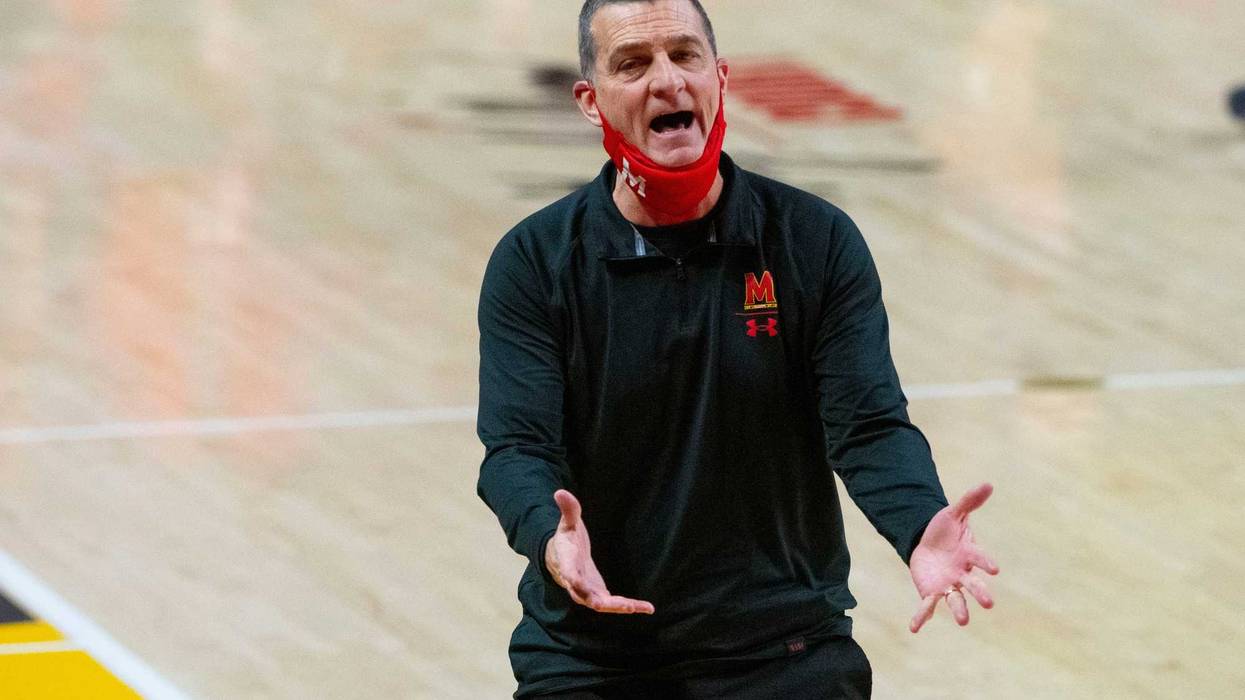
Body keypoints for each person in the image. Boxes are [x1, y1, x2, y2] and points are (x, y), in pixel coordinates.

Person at [476, 1, 999, 697]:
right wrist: (550, 535)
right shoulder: (535, 262)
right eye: (632, 64)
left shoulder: (813, 241)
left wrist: (917, 522)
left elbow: (868, 425)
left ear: (718, 77)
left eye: (683, 55)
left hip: (783, 649)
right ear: (590, 100)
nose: (667, 80)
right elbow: (516, 449)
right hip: (595, 657)